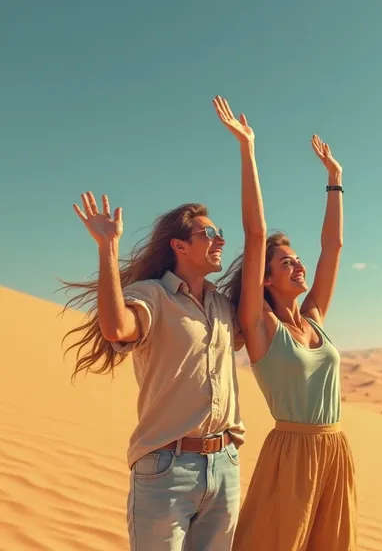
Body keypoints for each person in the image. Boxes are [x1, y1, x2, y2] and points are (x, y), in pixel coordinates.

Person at [60, 193, 246, 551]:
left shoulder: (221, 305)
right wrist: (107, 249)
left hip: (224, 466)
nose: (220, 239)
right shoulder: (152, 295)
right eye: (209, 234)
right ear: (179, 245)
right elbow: (117, 328)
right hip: (166, 468)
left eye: (219, 232)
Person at [212, 95, 357, 550]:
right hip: (290, 456)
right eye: (286, 263)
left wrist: (335, 182)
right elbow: (256, 233)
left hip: (336, 449)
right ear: (266, 278)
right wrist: (247, 150)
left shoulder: (314, 316)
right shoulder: (260, 327)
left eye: (297, 260)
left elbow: (332, 248)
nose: (298, 267)